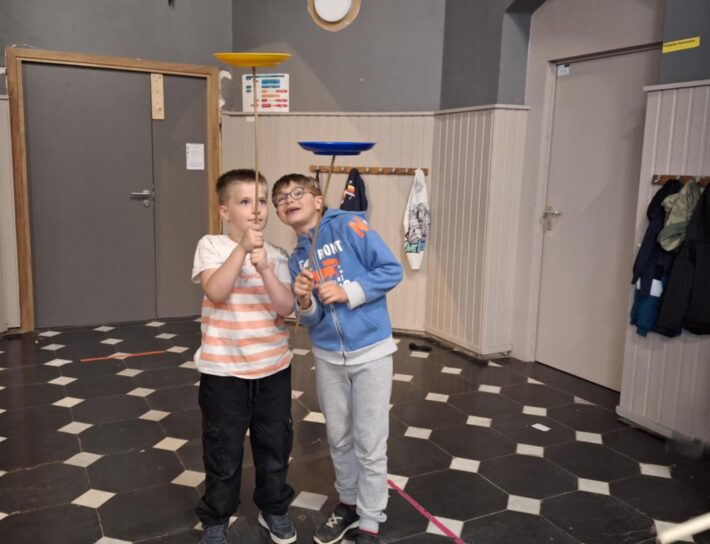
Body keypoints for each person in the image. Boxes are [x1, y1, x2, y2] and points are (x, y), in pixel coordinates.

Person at [272, 174, 403, 544]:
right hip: (328, 357)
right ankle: (348, 503)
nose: (288, 199)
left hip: (372, 352)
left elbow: (390, 270)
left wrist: (349, 291)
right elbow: (311, 319)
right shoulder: (297, 258)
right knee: (339, 436)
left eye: (298, 192)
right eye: (280, 198)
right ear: (279, 213)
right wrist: (303, 300)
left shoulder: (349, 225)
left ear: (317, 200)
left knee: (370, 441)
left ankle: (371, 518)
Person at [192, 169, 297, 544]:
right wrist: (242, 250)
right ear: (224, 211)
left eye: (262, 201)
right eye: (245, 201)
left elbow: (285, 307)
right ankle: (217, 517)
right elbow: (216, 291)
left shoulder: (278, 255)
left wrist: (265, 266)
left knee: (275, 447)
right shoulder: (212, 246)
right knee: (223, 450)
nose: (257, 210)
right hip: (223, 372)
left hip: (273, 369)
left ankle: (274, 508)